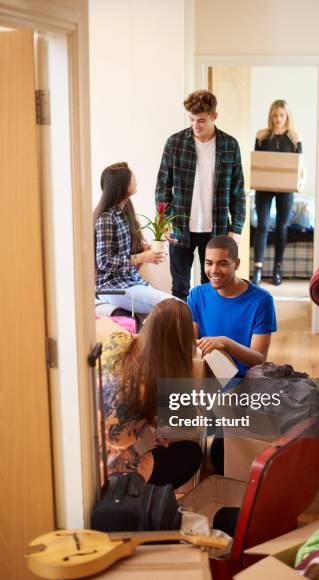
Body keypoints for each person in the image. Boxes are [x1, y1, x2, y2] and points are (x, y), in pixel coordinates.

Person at [101, 299, 203, 489]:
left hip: (81, 457)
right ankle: (143, 494)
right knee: (191, 453)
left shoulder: (116, 339)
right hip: (116, 477)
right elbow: (190, 424)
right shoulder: (164, 379)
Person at [155, 90, 246, 302]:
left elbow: (238, 190)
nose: (196, 125)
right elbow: (162, 188)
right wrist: (164, 222)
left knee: (214, 289)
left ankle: (208, 334)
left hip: (217, 229)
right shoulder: (175, 143)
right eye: (192, 119)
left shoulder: (229, 145)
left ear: (214, 116)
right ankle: (183, 333)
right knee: (179, 288)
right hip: (180, 228)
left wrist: (237, 229)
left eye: (202, 120)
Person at [187, 236, 277, 378]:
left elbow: (259, 359)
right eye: (209, 263)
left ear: (236, 263)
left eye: (222, 264)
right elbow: (191, 346)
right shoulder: (196, 295)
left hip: (245, 383)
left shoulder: (262, 300)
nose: (214, 270)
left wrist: (225, 343)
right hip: (206, 379)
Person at [94, 162, 176, 314]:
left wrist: (149, 249)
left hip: (132, 281)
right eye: (133, 177)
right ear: (122, 185)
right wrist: (140, 257)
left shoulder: (125, 213)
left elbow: (127, 250)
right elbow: (103, 261)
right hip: (113, 287)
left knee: (175, 308)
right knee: (176, 307)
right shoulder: (106, 217)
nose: (136, 179)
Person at [252, 99, 305, 286]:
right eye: (274, 115)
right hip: (263, 188)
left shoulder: (294, 137)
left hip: (286, 189)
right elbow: (257, 163)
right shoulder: (262, 135)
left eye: (281, 115)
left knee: (282, 227)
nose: (278, 119)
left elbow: (300, 165)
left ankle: (277, 268)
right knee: (263, 225)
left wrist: (300, 182)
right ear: (270, 116)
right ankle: (257, 270)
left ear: (287, 116)